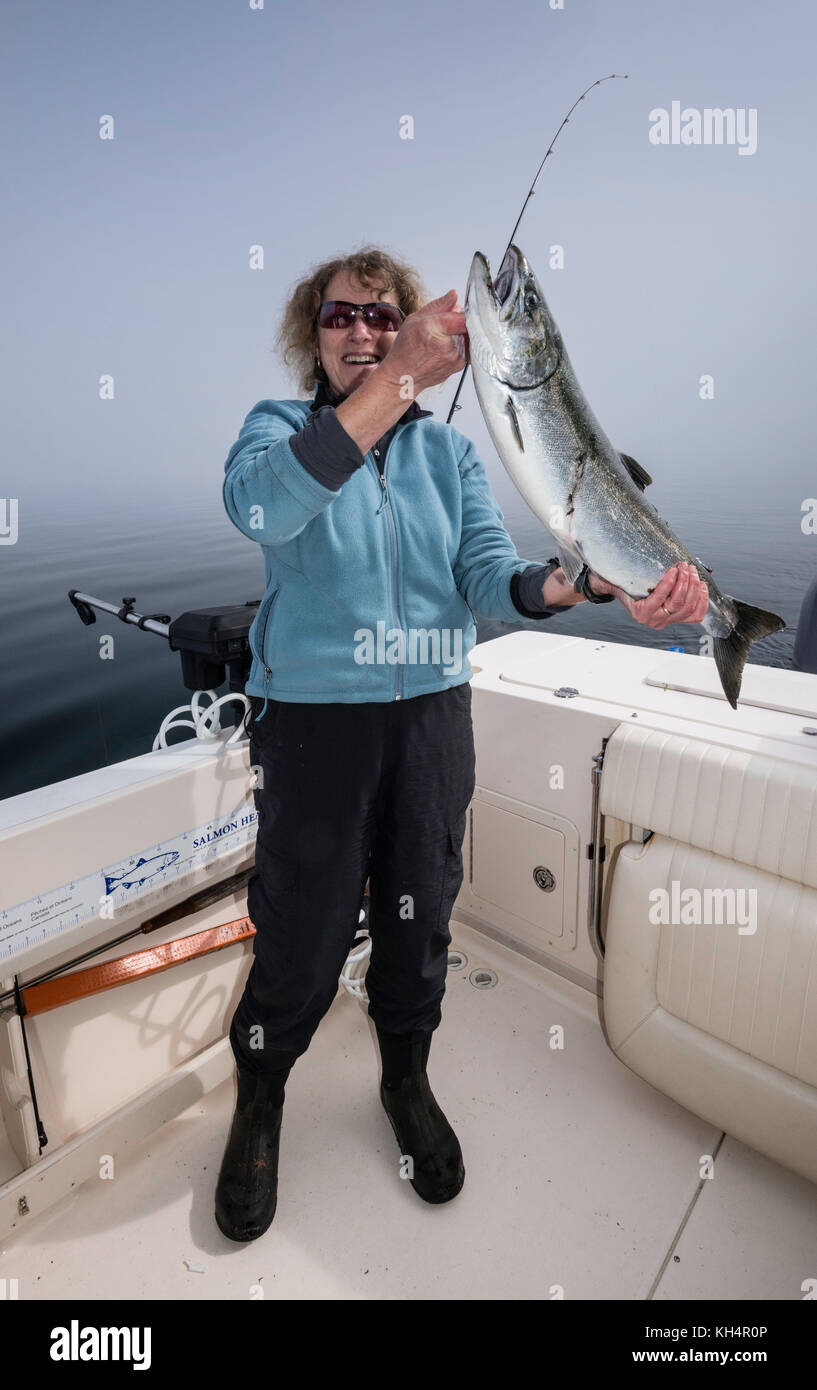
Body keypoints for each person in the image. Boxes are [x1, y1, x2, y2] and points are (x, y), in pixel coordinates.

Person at [215, 248, 709, 1242]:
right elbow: (259, 507)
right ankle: (262, 1094)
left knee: (419, 918)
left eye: (380, 315)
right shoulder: (282, 433)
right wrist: (399, 383)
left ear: (405, 324)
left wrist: (589, 581)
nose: (361, 331)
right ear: (310, 337)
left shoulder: (451, 455)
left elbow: (493, 582)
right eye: (339, 317)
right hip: (313, 725)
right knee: (302, 933)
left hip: (432, 719)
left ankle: (405, 1079)